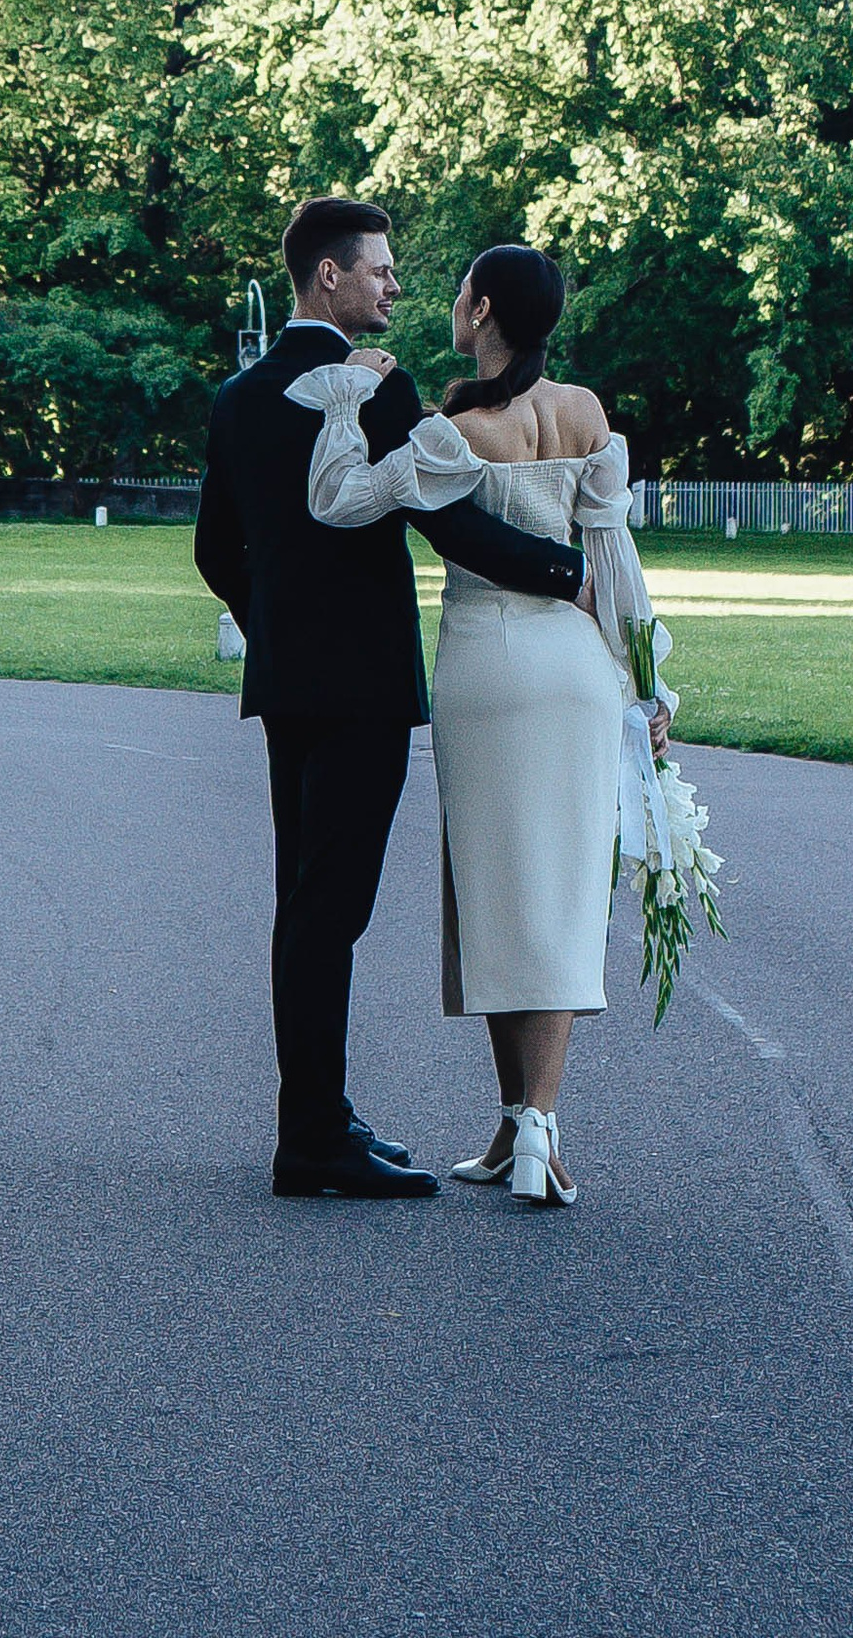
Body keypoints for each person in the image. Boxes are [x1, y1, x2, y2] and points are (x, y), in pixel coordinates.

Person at [194, 196, 591, 1201]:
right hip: (365, 689)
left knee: (307, 904)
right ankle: (313, 1140)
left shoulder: (238, 399)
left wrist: (279, 629)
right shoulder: (376, 388)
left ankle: (317, 1118)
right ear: (328, 276)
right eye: (378, 270)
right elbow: (449, 523)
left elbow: (214, 551)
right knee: (333, 911)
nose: (394, 285)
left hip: (287, 689)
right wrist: (563, 571)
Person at [292, 241, 665, 1210]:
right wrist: (648, 683)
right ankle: (521, 1127)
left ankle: (529, 1127)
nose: (448, 305)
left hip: (489, 669)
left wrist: (340, 407)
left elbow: (337, 502)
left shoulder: (452, 427)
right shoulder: (583, 412)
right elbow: (612, 563)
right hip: (577, 667)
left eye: (458, 295)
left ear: (486, 309)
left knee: (502, 892)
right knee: (561, 893)